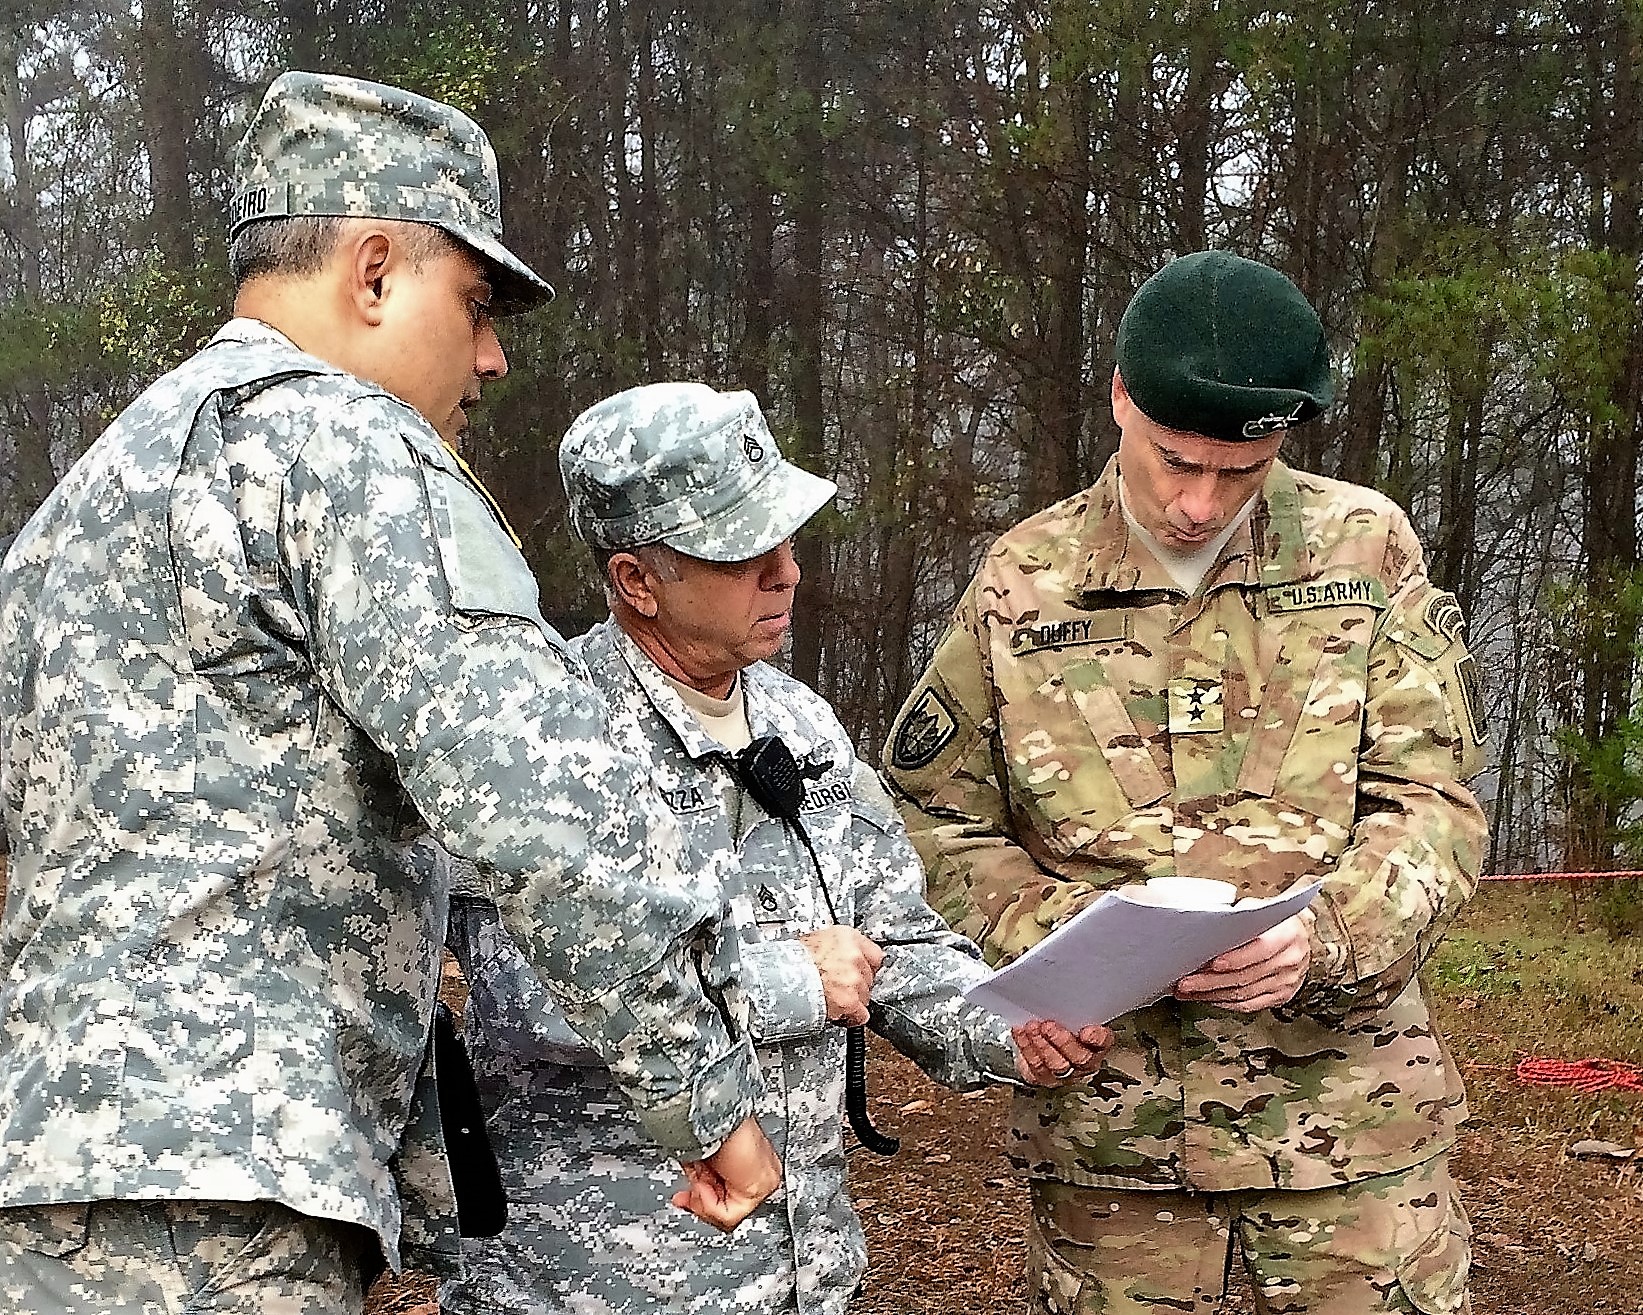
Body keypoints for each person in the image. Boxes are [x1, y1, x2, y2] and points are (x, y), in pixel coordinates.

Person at [0, 72, 779, 1315]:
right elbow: (543, 806)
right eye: (472, 301)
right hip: (230, 1203)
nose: (490, 356)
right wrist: (705, 1091)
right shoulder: (349, 447)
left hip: (45, 1188)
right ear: (371, 271)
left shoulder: (85, 498)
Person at [884, 251, 1488, 1315]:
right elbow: (933, 814)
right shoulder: (1024, 580)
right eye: (1172, 461)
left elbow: (1433, 803)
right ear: (1118, 395)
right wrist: (1064, 941)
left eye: (1237, 471)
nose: (1199, 502)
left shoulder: (1364, 549)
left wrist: (1328, 935)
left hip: (1349, 1145)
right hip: (1115, 1150)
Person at [442, 381, 1113, 1315]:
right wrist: (793, 981)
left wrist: (1010, 1025)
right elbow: (533, 993)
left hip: (803, 1272)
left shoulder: (800, 721)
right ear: (637, 579)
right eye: (742, 551)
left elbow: (894, 939)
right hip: (605, 1281)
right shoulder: (540, 737)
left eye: (785, 538)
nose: (786, 571)